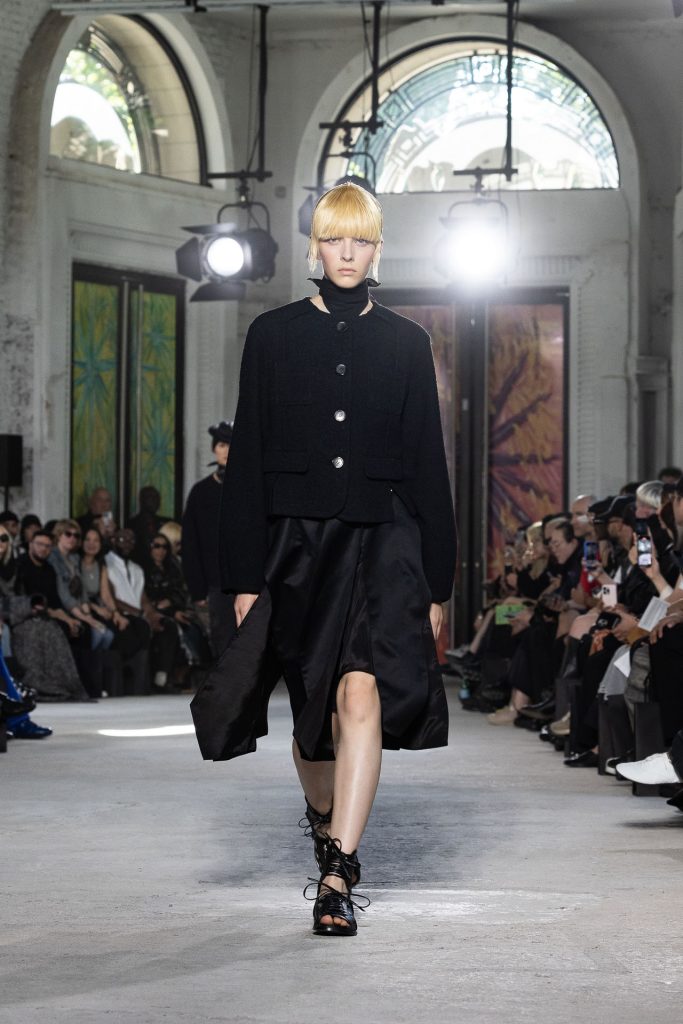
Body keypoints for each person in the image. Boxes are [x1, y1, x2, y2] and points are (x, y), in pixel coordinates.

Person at [212, 182, 457, 937]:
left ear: (377, 249)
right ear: (315, 247)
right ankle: (324, 822)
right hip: (297, 548)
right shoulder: (273, 335)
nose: (347, 253)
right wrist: (244, 577)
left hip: (383, 543)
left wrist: (438, 582)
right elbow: (248, 461)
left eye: (361, 241)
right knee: (311, 714)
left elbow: (429, 464)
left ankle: (337, 874)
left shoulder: (406, 342)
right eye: (334, 239)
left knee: (360, 694)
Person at [182, 421, 237, 656]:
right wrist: (197, 589)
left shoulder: (252, 489)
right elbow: (190, 544)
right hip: (216, 583)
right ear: (214, 448)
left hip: (250, 582)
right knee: (223, 643)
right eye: (222, 445)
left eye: (232, 445)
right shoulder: (201, 492)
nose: (226, 451)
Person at [127, 486, 169, 566]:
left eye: (157, 498)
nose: (156, 501)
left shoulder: (165, 524)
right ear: (142, 500)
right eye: (151, 497)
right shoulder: (131, 524)